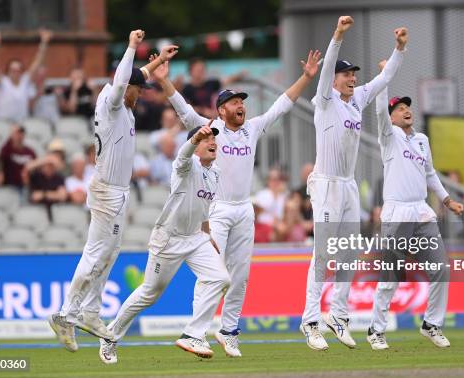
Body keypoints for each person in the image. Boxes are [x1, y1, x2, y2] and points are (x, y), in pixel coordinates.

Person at [153, 46, 322, 357]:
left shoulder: (253, 129)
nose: (240, 106)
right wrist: (164, 82)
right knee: (213, 274)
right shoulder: (212, 129)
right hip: (216, 209)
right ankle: (196, 332)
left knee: (240, 275)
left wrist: (306, 77)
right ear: (221, 110)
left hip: (244, 208)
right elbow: (184, 110)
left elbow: (282, 105)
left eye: (242, 101)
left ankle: (229, 330)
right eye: (234, 102)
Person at [48, 30, 178, 352]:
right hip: (108, 190)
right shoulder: (111, 102)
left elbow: (136, 75)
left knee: (109, 253)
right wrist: (132, 46)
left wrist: (159, 61)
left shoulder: (126, 103)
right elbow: (124, 79)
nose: (141, 94)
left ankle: (90, 312)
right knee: (95, 253)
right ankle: (66, 315)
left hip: (118, 191)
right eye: (139, 90)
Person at [300, 16, 406, 352]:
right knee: (323, 255)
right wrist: (338, 36)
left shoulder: (358, 98)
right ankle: (310, 321)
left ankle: (339, 316)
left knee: (349, 253)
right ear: (334, 80)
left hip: (347, 185)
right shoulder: (325, 99)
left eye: (353, 75)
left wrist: (400, 49)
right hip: (326, 184)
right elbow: (330, 63)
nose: (352, 78)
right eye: (347, 75)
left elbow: (384, 77)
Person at [99, 123, 229, 363]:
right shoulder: (186, 166)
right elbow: (182, 157)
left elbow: (203, 209)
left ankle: (194, 334)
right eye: (206, 139)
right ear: (196, 146)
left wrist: (208, 235)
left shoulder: (216, 172)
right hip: (169, 238)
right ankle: (110, 335)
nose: (212, 142)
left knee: (221, 278)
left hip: (195, 237)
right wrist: (192, 141)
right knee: (150, 293)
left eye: (214, 139)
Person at [365, 59, 464, 351]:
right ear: (392, 117)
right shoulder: (389, 136)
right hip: (397, 211)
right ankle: (375, 329)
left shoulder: (421, 140)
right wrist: (384, 77)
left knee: (440, 269)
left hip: (421, 210)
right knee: (392, 273)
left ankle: (432, 324)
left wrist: (447, 199)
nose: (406, 110)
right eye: (400, 109)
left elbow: (430, 174)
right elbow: (380, 111)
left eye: (408, 107)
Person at [0, 29, 52, 122]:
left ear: (22, 72)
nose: (15, 72)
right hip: (3, 123)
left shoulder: (25, 81)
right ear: (8, 71)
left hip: (21, 124)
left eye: (18, 70)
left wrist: (44, 42)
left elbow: (37, 62)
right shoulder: (2, 82)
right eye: (13, 70)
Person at [182, 57, 246, 118]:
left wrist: (240, 75)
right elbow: (185, 108)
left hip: (212, 117)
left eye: (202, 70)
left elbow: (226, 80)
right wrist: (203, 111)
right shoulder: (186, 89)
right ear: (190, 71)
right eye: (198, 70)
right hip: (196, 119)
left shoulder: (210, 84)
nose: (201, 72)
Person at [0, 125, 36, 189]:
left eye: (21, 133)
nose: (19, 136)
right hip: (10, 187)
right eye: (17, 133)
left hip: (26, 186)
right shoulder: (8, 150)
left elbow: (35, 166)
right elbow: (2, 158)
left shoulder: (30, 152)